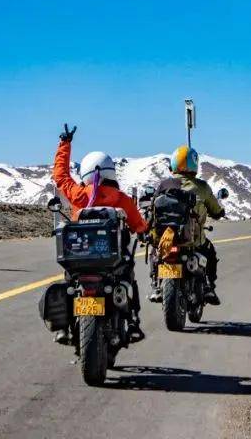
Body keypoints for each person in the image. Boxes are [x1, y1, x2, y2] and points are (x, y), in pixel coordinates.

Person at [52, 124, 149, 342]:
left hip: (80, 259)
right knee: (128, 278)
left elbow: (60, 176)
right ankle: (133, 322)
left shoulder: (79, 195)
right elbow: (139, 225)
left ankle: (64, 328)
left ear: (86, 173)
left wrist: (64, 143)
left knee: (69, 282)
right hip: (113, 261)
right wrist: (144, 232)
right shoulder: (122, 199)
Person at [149, 144, 225, 304]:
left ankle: (156, 285)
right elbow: (217, 211)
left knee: (155, 252)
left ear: (174, 163)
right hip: (193, 240)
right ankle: (209, 287)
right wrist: (218, 212)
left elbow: (152, 210)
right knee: (210, 251)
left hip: (166, 240)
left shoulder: (164, 185)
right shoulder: (202, 187)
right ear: (194, 163)